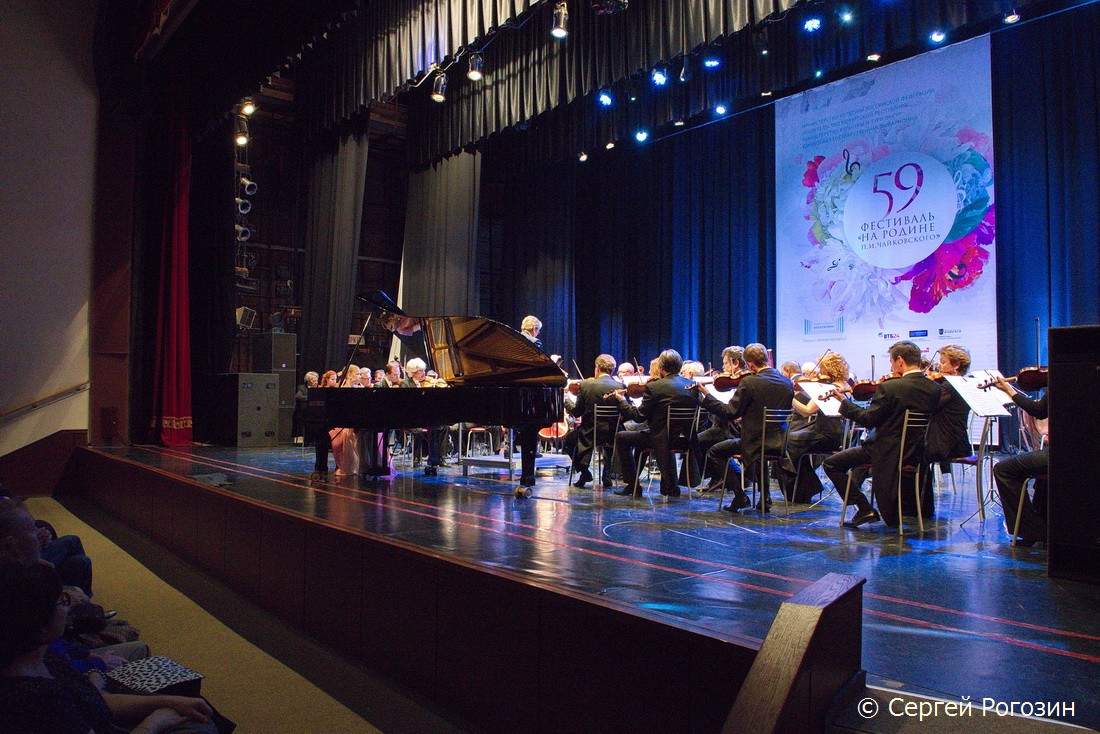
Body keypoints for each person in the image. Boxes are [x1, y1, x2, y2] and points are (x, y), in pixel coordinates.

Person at [0, 563, 217, 734]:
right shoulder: (37, 699)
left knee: (194, 708)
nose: (67, 607)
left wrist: (171, 701)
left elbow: (97, 700)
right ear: (38, 624)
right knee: (201, 726)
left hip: (104, 717)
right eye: (61, 601)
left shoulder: (42, 655)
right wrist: (155, 721)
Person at [822, 341, 942, 529]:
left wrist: (844, 402)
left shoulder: (890, 387)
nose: (891, 367)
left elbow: (868, 419)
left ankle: (864, 508)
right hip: (916, 452)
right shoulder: (934, 388)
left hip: (885, 451)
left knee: (831, 464)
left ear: (900, 361)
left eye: (892, 362)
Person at [693, 344, 795, 512]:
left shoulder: (750, 382)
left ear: (750, 364)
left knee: (714, 452)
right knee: (759, 453)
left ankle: (740, 497)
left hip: (754, 443)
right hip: (780, 443)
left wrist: (707, 396)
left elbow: (729, 412)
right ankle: (765, 497)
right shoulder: (787, 382)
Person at [609, 350, 696, 498]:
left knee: (621, 437)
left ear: (661, 368)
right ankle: (670, 485)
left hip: (661, 440)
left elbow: (639, 417)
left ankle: (633, 486)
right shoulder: (691, 385)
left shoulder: (655, 387)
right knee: (643, 438)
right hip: (684, 440)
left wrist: (622, 401)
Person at [777, 351, 851, 502]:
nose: (818, 373)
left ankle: (805, 488)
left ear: (828, 370)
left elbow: (807, 411)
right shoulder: (845, 385)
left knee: (784, 442)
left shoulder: (830, 388)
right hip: (841, 433)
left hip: (826, 434)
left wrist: (790, 395)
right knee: (791, 442)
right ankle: (808, 486)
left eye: (821, 369)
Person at [990, 376, 1048, 545]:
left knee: (1003, 470)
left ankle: (1031, 531)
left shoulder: (1064, 379)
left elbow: (1039, 410)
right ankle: (1042, 526)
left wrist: (1009, 389)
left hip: (1062, 454)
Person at [564, 354, 621, 488]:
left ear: (597, 368)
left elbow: (577, 412)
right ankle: (607, 475)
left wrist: (566, 399)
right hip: (612, 434)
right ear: (612, 370)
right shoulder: (620, 385)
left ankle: (585, 472)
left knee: (568, 441)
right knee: (610, 441)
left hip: (588, 434)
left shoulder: (586, 385)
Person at [512, 315, 545, 490]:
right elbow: (538, 368)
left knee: (523, 428)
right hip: (528, 393)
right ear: (534, 329)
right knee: (529, 429)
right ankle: (527, 477)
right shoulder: (534, 342)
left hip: (514, 389)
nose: (538, 333)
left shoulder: (512, 340)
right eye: (538, 330)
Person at [402, 358, 447, 475]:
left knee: (443, 426)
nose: (424, 373)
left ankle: (438, 458)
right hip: (411, 418)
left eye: (423, 370)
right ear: (413, 373)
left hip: (423, 417)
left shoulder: (425, 383)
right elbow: (407, 405)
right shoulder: (406, 384)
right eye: (420, 371)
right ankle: (427, 459)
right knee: (432, 428)